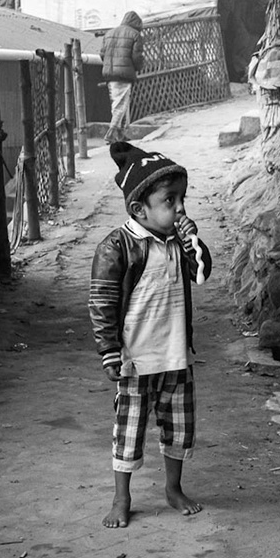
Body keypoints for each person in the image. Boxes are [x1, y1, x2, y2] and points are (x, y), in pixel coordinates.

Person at [88, 141, 212, 529]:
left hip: (176, 357)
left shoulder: (178, 244)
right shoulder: (116, 247)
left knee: (179, 429)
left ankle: (173, 489)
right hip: (136, 360)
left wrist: (193, 239)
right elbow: (102, 303)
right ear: (139, 209)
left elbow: (202, 274)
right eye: (169, 200)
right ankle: (121, 496)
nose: (179, 208)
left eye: (182, 199)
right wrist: (109, 351)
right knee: (128, 432)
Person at [100, 10, 144, 143]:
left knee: (118, 103)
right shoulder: (135, 35)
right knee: (120, 105)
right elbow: (137, 57)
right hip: (124, 74)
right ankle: (111, 134)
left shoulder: (109, 33)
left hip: (109, 74)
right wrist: (138, 68)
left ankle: (120, 135)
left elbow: (102, 54)